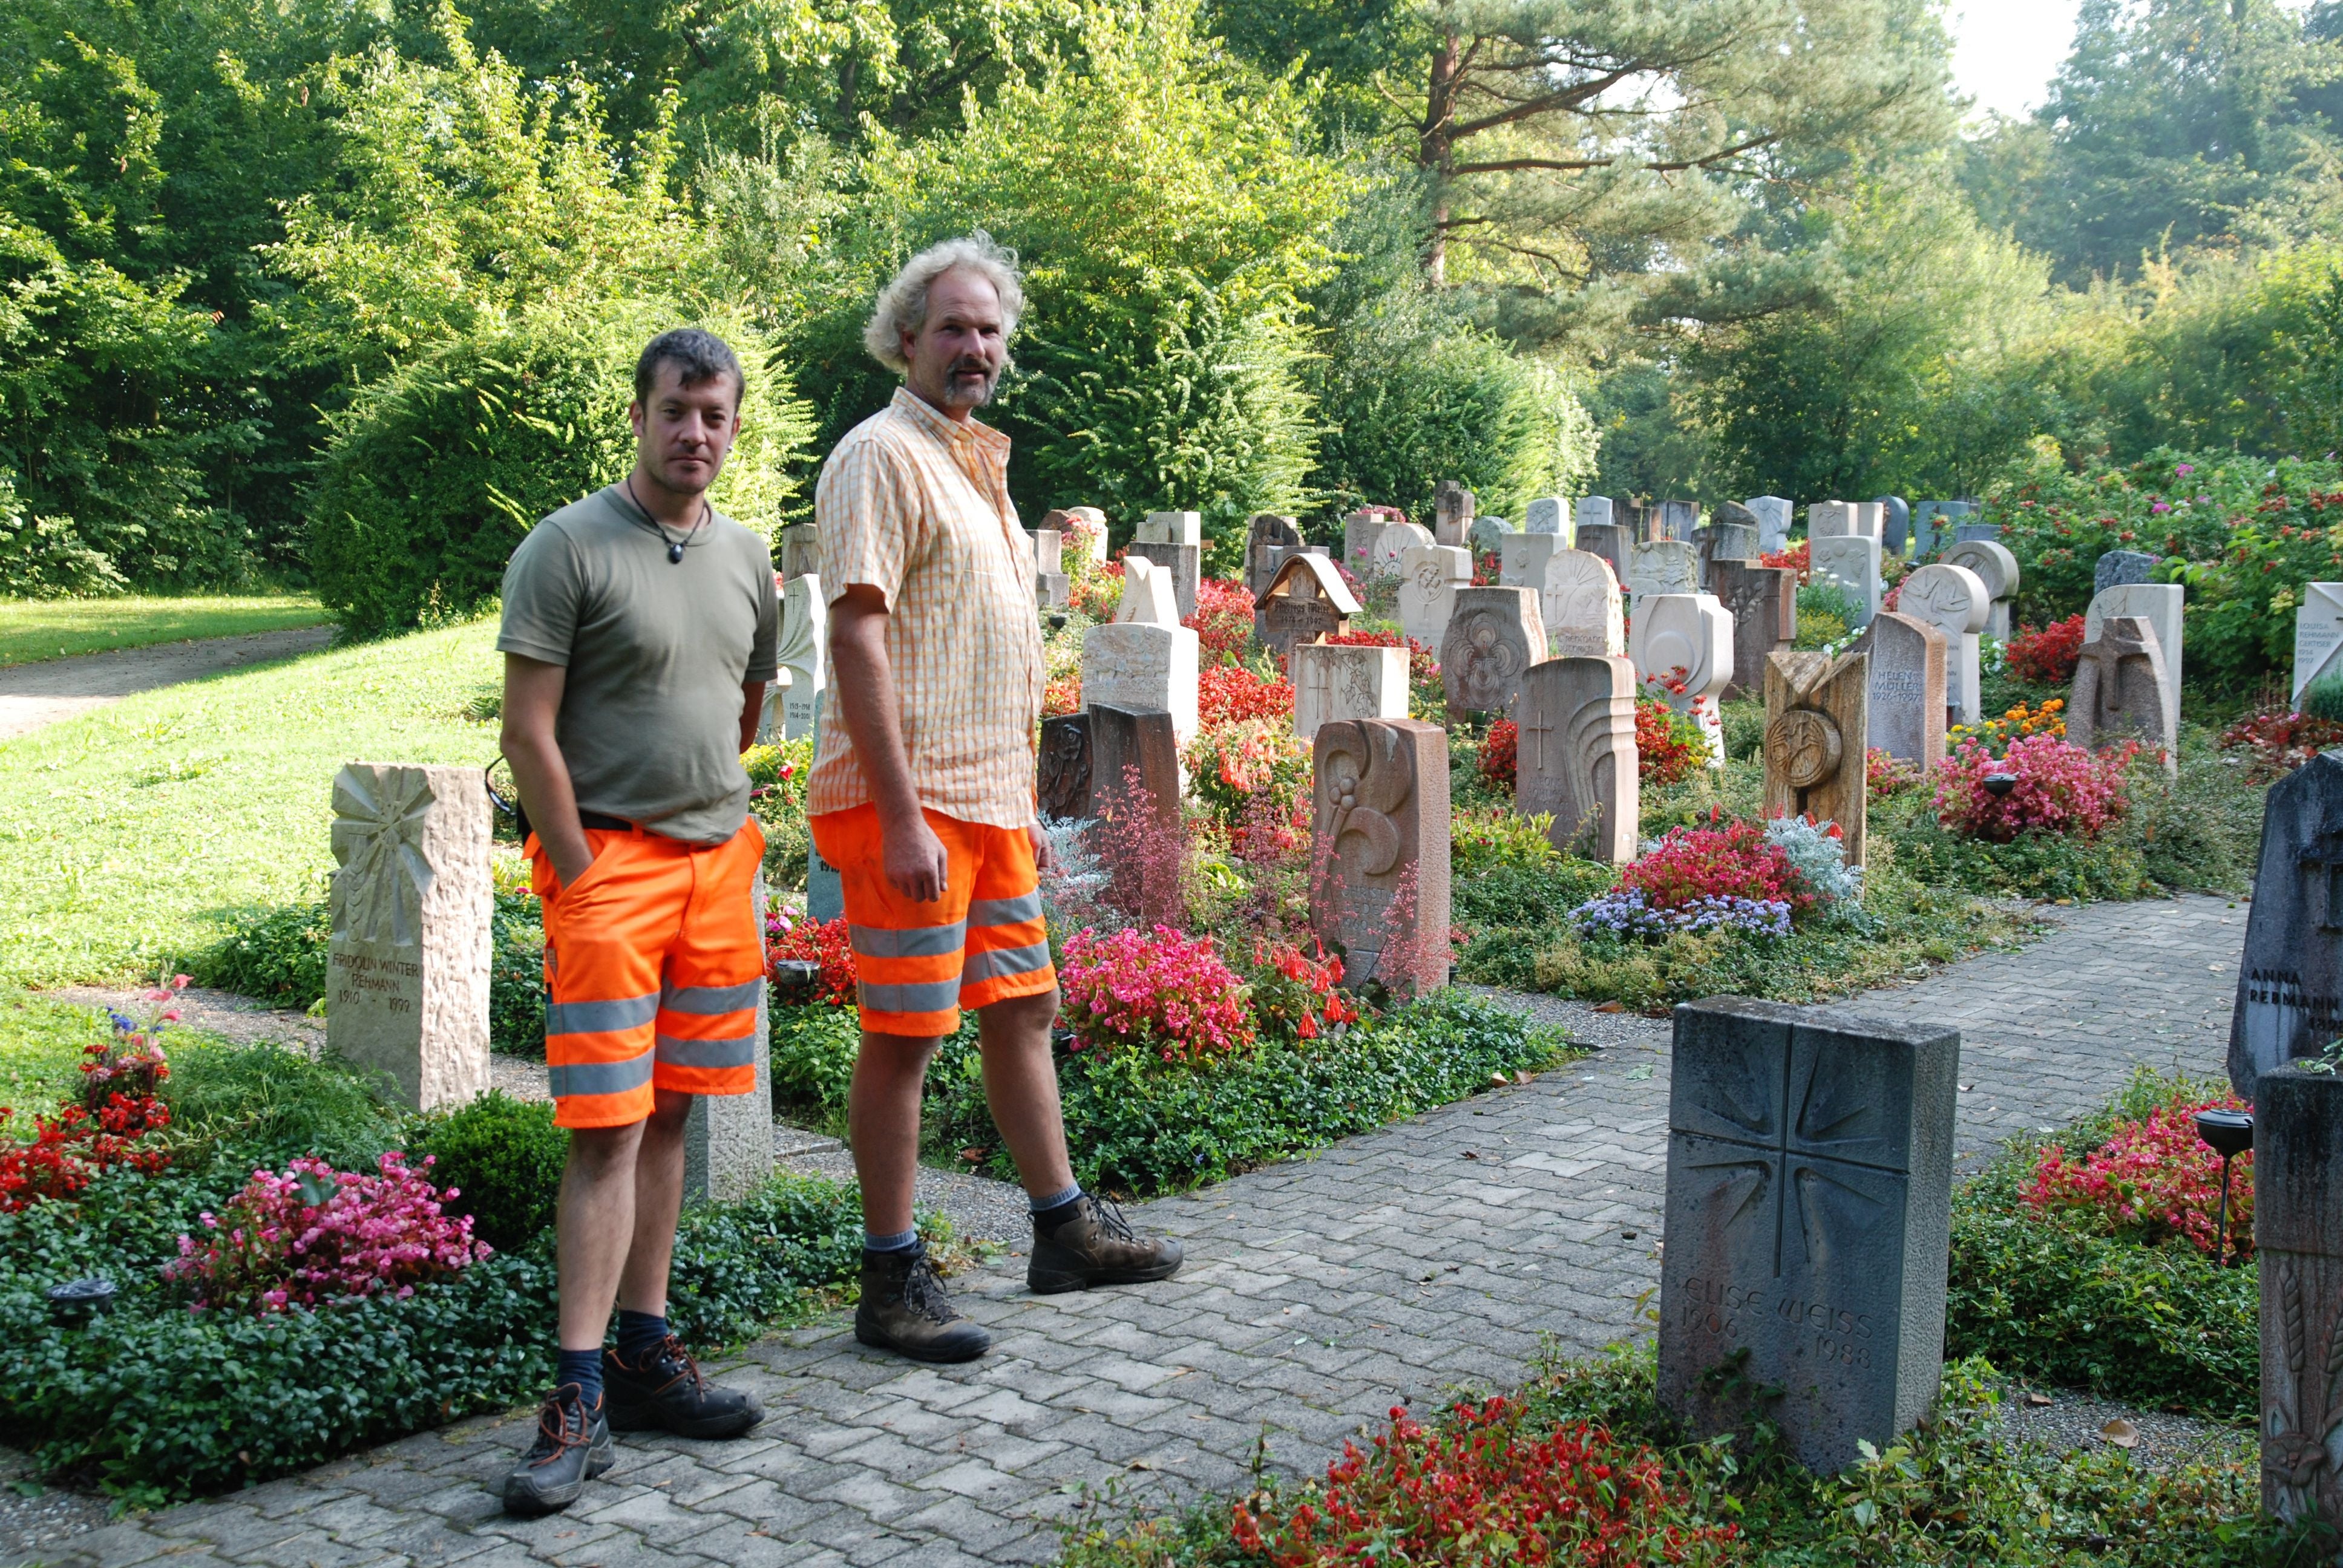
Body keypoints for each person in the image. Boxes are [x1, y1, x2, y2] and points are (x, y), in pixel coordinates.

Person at [810, 233, 1183, 1362]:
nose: (975, 347)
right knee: (907, 1034)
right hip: (910, 808)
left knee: (1023, 1009)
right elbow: (857, 638)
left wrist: (1009, 803)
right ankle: (889, 1282)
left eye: (990, 331)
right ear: (906, 339)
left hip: (988, 801)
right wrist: (902, 810)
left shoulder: (973, 458)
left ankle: (1061, 1232)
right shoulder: (880, 456)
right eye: (954, 328)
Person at [494, 328, 779, 1515]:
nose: (695, 434)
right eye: (676, 411)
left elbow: (748, 702)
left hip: (716, 870)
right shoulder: (566, 548)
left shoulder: (750, 560)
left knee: (670, 1118)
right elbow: (527, 729)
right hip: (606, 866)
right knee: (605, 1130)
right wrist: (577, 871)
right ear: (638, 414)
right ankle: (573, 1402)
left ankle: (646, 1356)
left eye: (715, 416)